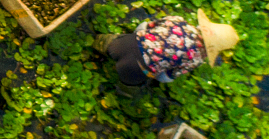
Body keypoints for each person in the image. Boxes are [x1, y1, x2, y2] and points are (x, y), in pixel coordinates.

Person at [95, 14, 238, 93]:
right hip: (134, 69)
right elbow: (166, 77)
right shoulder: (197, 59)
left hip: (124, 45)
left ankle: (97, 46)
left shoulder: (178, 20)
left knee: (106, 42)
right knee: (130, 87)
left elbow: (144, 26)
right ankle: (120, 90)